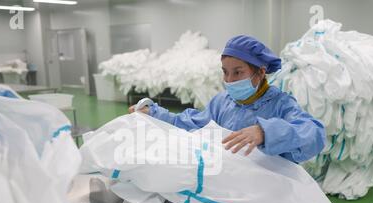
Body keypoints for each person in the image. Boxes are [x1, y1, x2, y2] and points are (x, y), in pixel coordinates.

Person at [129, 35, 325, 163]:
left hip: (267, 191)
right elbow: (191, 123)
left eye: (238, 73)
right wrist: (153, 113)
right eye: (225, 72)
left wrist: (265, 132)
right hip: (227, 184)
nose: (229, 81)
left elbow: (314, 133)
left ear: (260, 72)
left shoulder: (280, 104)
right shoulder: (222, 102)